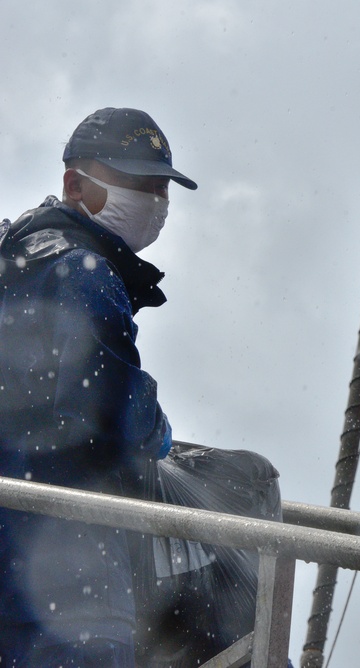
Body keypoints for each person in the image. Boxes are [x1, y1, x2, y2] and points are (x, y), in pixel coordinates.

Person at [0, 107, 195, 666]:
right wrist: (158, 432)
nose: (154, 202)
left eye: (160, 188)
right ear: (74, 184)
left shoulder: (18, 260)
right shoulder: (82, 270)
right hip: (64, 577)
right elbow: (112, 409)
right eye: (137, 184)